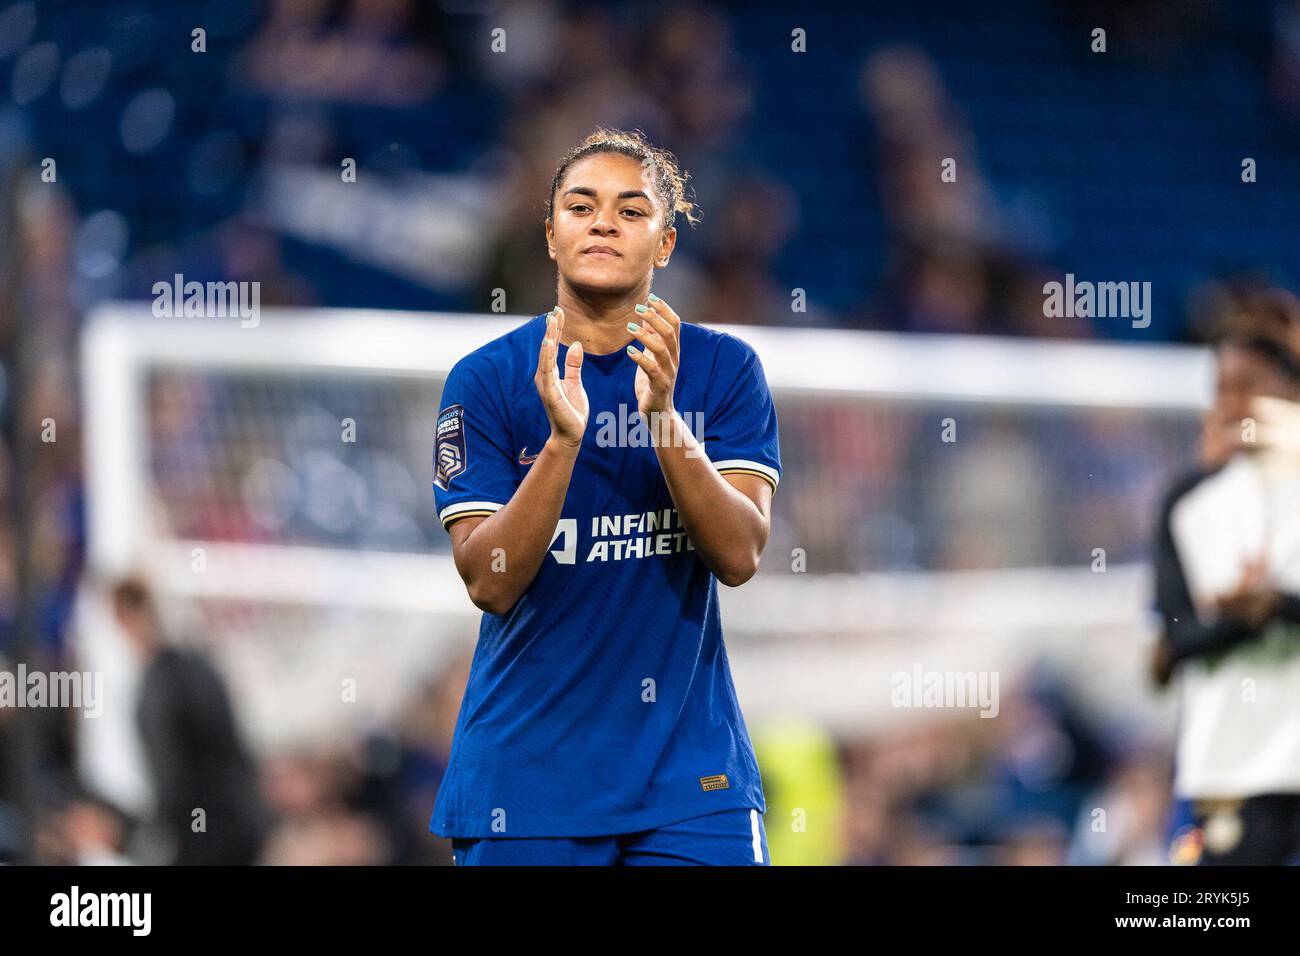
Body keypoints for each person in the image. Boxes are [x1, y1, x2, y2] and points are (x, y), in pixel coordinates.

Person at [430, 128, 780, 865]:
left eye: (630, 211)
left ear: (665, 244)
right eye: (581, 207)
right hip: (525, 788)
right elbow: (488, 583)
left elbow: (740, 553)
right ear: (551, 234)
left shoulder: (722, 371)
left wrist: (663, 420)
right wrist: (561, 443)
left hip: (691, 782)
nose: (602, 224)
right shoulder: (487, 380)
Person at [1150, 290, 1300, 864]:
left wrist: (1275, 604)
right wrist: (1250, 616)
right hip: (1230, 768)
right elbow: (1177, 635)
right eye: (1223, 388)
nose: (1235, 404)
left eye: (1251, 384)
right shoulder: (1190, 504)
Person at [112, 577, 270, 865]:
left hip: (207, 836)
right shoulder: (200, 666)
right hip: (236, 821)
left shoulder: (160, 687)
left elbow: (172, 779)